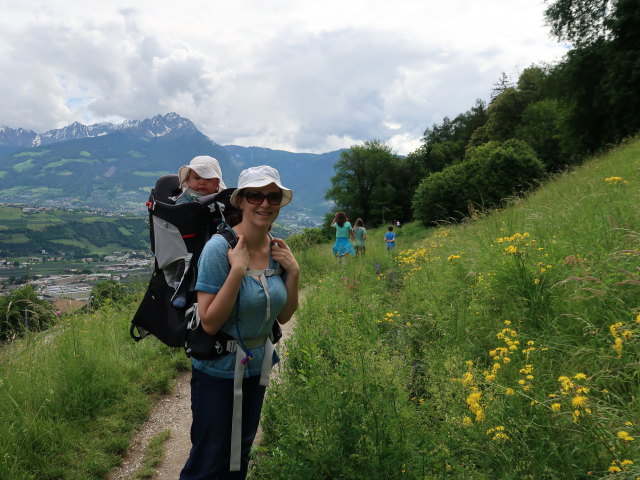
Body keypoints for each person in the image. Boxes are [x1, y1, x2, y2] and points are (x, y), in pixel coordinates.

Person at [180, 165, 299, 479]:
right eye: (255, 196)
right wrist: (236, 271)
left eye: (272, 196)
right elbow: (209, 322)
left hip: (255, 368)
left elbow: (284, 316)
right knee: (210, 455)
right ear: (241, 201)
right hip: (218, 372)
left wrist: (294, 274)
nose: (265, 203)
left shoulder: (277, 250)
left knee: (240, 451)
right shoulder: (220, 249)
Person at [171, 156, 227, 308]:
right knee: (185, 263)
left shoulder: (220, 200)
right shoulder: (186, 197)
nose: (202, 182)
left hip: (212, 240)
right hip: (189, 241)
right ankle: (181, 289)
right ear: (188, 180)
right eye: (197, 178)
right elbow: (180, 214)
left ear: (217, 184)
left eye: (208, 179)